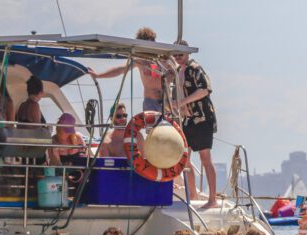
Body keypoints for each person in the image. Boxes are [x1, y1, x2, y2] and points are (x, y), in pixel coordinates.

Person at [174, 42, 218, 209]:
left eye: (181, 54)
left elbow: (205, 89)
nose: (178, 57)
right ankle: (192, 195)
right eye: (175, 55)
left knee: (205, 158)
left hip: (202, 118)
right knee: (184, 157)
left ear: (187, 54)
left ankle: (212, 199)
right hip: (188, 120)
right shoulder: (178, 71)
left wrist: (181, 102)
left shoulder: (194, 68)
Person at [89, 28, 166, 113]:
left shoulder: (163, 59)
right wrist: (98, 75)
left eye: (153, 42)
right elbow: (120, 70)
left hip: (166, 102)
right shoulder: (139, 60)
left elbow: (175, 73)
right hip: (150, 103)